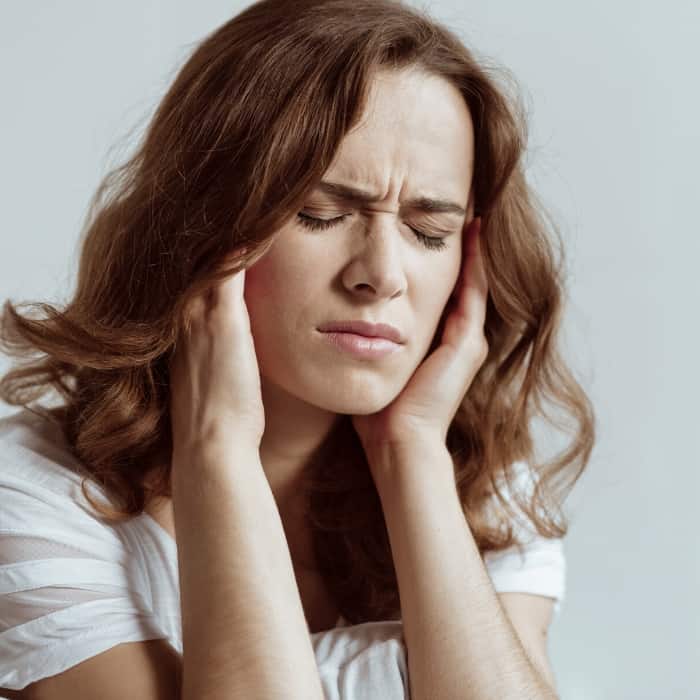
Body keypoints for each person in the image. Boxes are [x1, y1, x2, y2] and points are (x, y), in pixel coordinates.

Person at [0, 0, 595, 698]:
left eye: (428, 230)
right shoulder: (35, 498)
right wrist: (217, 449)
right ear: (205, 223)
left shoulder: (487, 490)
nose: (382, 274)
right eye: (321, 213)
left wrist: (411, 458)